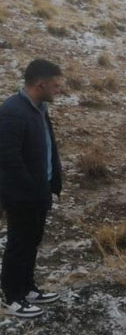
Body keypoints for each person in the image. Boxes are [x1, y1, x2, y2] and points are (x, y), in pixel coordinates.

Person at [0, 59, 64, 318]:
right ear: (41, 84)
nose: (59, 90)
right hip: (22, 194)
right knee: (19, 243)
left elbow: (47, 146)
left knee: (32, 242)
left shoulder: (39, 108)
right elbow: (8, 158)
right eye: (56, 85)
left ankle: (27, 288)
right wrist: (30, 187)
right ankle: (11, 296)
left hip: (39, 192)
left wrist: (51, 182)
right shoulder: (12, 110)